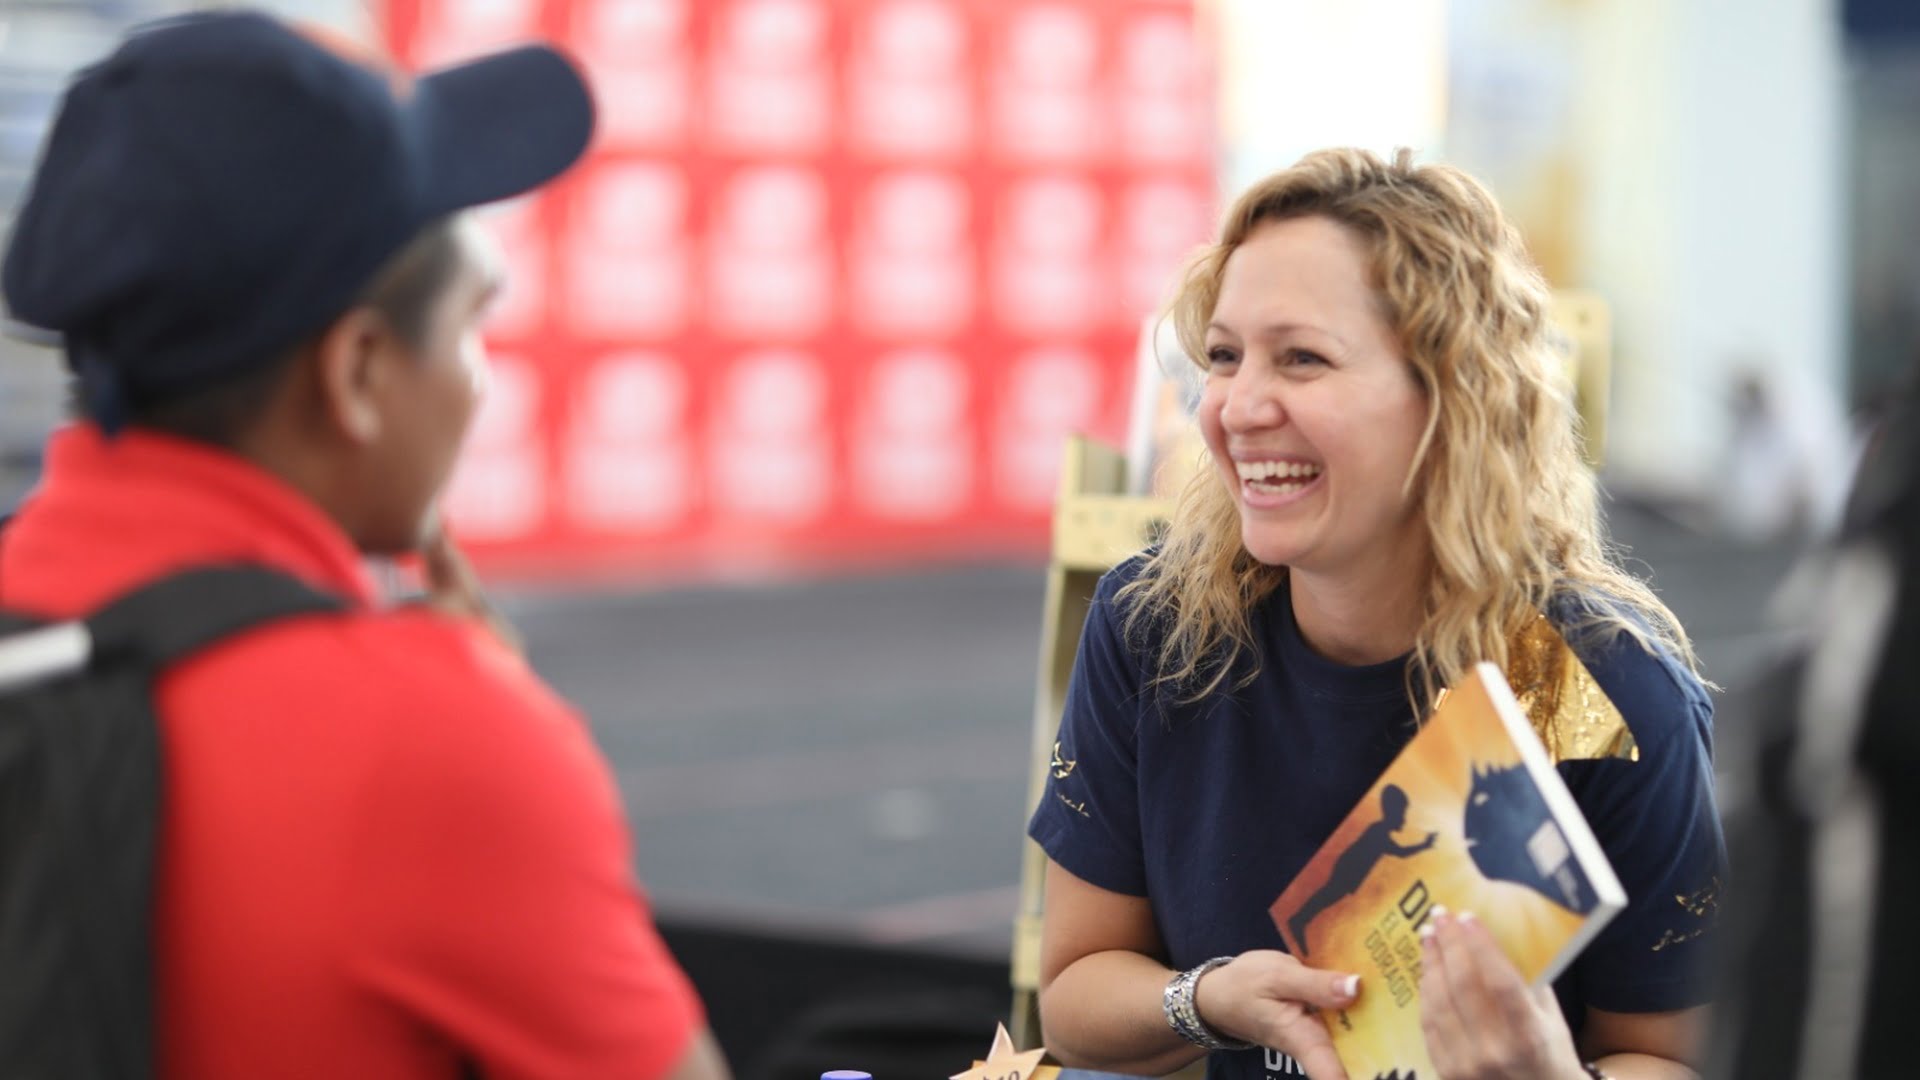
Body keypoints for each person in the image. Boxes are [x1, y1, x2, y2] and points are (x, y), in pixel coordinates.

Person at [0, 11, 729, 1079]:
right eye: (472, 321)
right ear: (359, 374)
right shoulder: (436, 741)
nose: (479, 379)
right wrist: (489, 724)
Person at [1028, 149, 1725, 1080]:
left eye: (1303, 358)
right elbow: (1073, 1000)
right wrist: (1206, 998)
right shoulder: (1158, 625)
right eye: (1225, 356)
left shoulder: (1591, 688)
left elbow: (1667, 1056)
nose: (1237, 407)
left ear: (1452, 400)